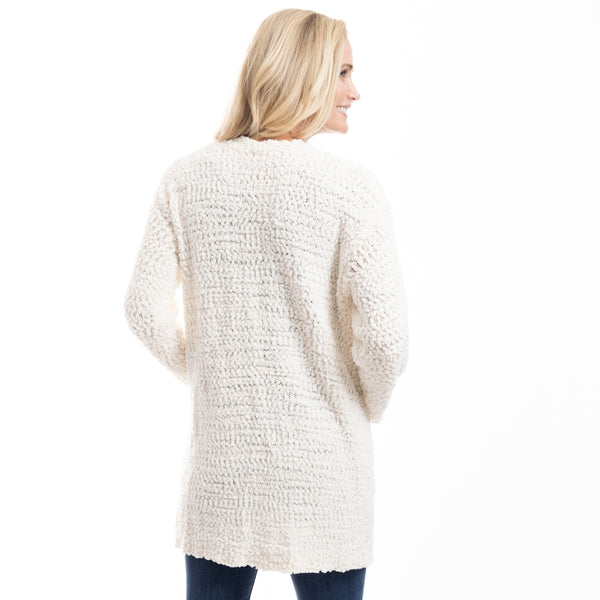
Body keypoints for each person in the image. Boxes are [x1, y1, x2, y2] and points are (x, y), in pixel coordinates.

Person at [123, 8, 409, 600]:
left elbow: (143, 310)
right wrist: (367, 404)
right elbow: (385, 340)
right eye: (343, 72)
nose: (355, 92)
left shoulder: (187, 179)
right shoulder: (352, 191)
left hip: (223, 469)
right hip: (325, 468)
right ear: (304, 73)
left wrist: (211, 373)